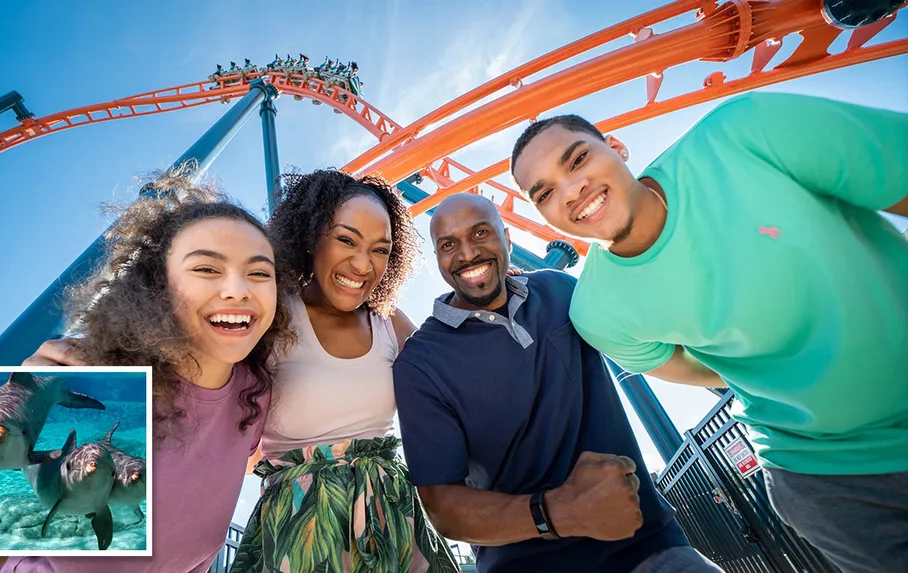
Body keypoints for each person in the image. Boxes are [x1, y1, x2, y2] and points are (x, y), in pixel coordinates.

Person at [509, 92, 908, 573]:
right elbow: (699, 369)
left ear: (616, 146)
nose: (571, 190)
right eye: (546, 193)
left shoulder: (744, 134)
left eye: (577, 159)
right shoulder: (598, 313)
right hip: (827, 473)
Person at [0, 169, 295, 573]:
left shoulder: (255, 393)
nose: (238, 289)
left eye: (260, 272)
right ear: (155, 287)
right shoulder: (109, 381)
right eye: (206, 269)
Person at [392, 193, 720, 572]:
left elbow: (658, 339)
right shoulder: (420, 362)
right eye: (448, 244)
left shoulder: (558, 290)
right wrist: (561, 512)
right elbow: (444, 509)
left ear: (508, 239)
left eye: (481, 233)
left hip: (649, 548)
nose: (467, 254)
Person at [230, 170, 459, 572]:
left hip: (394, 523)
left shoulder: (389, 322)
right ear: (310, 236)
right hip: (301, 530)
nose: (361, 264)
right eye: (346, 240)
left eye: (380, 250)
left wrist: (493, 303)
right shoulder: (271, 315)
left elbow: (459, 382)